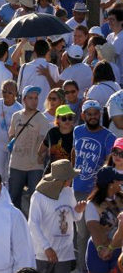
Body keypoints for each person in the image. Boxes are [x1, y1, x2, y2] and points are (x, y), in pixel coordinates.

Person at [73, 99, 116, 270]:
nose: (92, 117)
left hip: (97, 192)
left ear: (100, 114)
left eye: (95, 113)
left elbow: (110, 163)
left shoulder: (108, 137)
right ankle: (81, 267)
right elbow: (74, 153)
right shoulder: (77, 131)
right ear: (83, 115)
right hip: (78, 188)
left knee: (99, 231)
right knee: (81, 232)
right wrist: (71, 175)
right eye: (89, 114)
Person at [28, 159, 85, 273]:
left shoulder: (69, 192)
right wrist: (47, 248)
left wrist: (79, 211)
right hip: (44, 255)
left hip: (65, 254)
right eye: (69, 177)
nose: (71, 180)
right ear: (60, 180)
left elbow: (75, 218)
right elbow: (32, 224)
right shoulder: (39, 196)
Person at [7, 85, 51, 211]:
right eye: (31, 98)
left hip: (35, 165)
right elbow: (11, 135)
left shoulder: (42, 119)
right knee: (14, 198)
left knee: (35, 198)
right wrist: (12, 145)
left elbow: (44, 142)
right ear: (24, 100)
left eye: (36, 98)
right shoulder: (16, 116)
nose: (34, 101)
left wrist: (42, 156)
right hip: (16, 163)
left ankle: (32, 227)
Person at [84, 166, 123, 273]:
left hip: (118, 250)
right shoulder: (92, 204)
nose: (121, 181)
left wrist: (110, 248)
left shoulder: (121, 199)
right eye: (118, 179)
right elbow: (94, 228)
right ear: (110, 184)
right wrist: (101, 248)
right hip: (98, 251)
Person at [0, 80, 21, 183]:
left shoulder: (19, 109)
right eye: (4, 91)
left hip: (11, 147)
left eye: (10, 92)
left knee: (8, 176)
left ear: (15, 94)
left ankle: (7, 197)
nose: (6, 94)